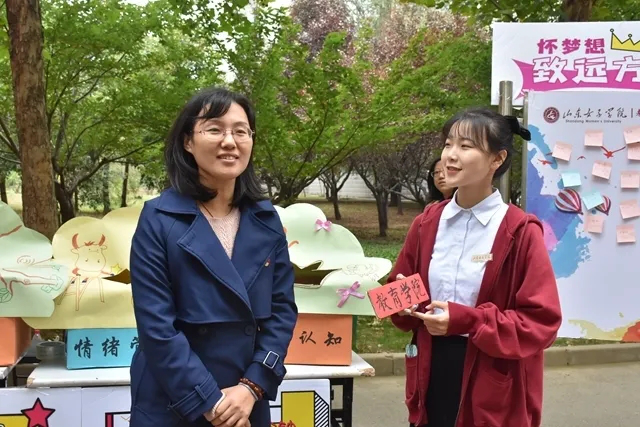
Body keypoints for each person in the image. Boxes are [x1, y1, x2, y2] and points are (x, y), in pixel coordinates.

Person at [129, 87, 298, 427]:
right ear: (188, 142)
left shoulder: (266, 220)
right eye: (214, 129)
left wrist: (252, 387)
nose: (230, 141)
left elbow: (281, 313)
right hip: (174, 401)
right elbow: (157, 327)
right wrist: (211, 402)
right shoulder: (158, 219)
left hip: (245, 400)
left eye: (241, 131)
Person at [389, 108, 562, 427]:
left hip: (492, 384)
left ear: (497, 159)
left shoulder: (520, 232)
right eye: (448, 144)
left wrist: (467, 320)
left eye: (465, 146)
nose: (451, 156)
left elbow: (541, 322)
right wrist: (400, 302)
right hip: (430, 373)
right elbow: (398, 290)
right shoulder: (426, 223)